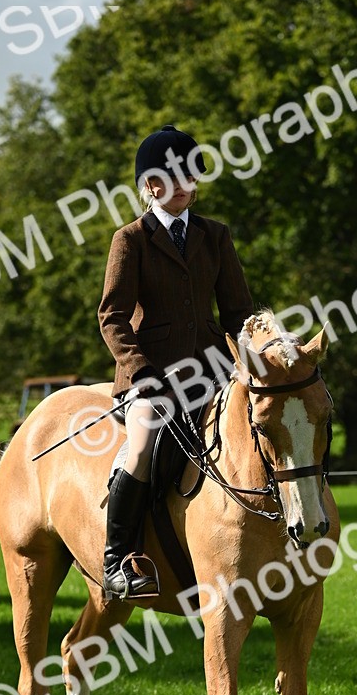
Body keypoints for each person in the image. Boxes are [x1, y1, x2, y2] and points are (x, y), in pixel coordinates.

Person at [98, 124, 254, 599]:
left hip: (212, 372)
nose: (188, 187)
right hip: (152, 379)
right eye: (178, 177)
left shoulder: (215, 236)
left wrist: (256, 359)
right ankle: (117, 558)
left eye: (193, 177)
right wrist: (140, 371)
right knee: (144, 442)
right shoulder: (131, 240)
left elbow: (238, 312)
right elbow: (112, 316)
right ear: (151, 186)